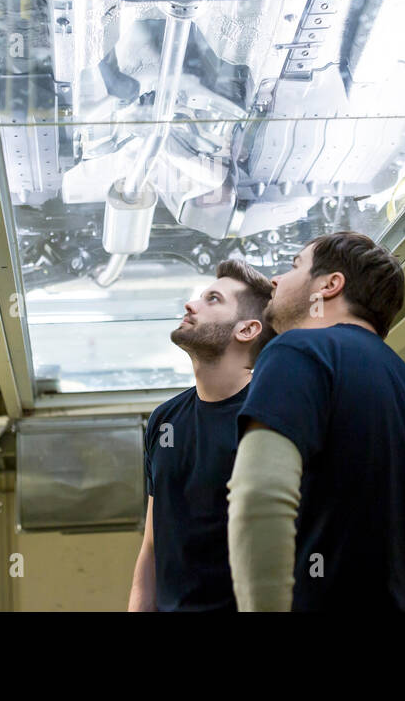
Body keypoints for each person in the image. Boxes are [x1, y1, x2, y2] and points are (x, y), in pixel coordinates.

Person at [226, 231, 405, 611]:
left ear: (329, 285)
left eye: (294, 266)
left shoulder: (298, 350)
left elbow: (259, 494)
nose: (275, 280)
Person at [128, 259, 275, 611]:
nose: (190, 305)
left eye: (213, 300)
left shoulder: (272, 416)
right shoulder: (165, 420)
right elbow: (152, 546)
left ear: (247, 329)